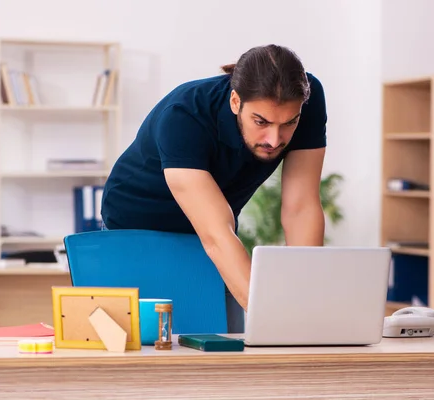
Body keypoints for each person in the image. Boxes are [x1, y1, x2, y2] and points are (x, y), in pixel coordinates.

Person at [101, 44, 327, 326]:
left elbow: (301, 207)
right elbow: (215, 235)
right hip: (135, 225)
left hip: (219, 229)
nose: (274, 139)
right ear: (235, 102)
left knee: (232, 344)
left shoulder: (308, 99)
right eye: (261, 122)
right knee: (148, 347)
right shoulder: (184, 115)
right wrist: (278, 322)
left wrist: (310, 305)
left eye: (288, 123)